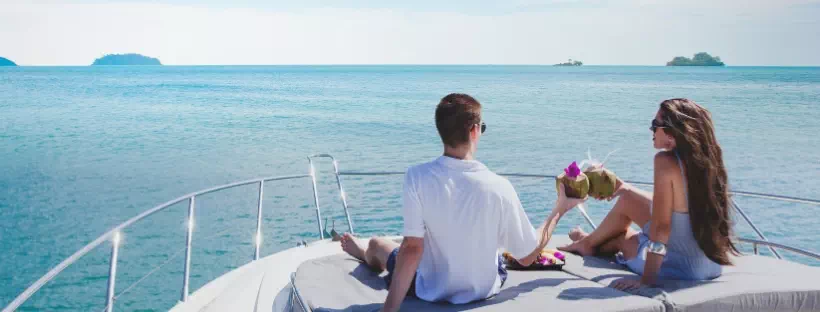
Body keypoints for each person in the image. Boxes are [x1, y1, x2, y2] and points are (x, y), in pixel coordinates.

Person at [339, 93, 583, 312]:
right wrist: (559, 209)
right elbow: (529, 255)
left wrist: (388, 311)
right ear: (475, 130)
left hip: (430, 288)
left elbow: (412, 250)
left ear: (441, 131)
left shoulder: (417, 177)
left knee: (378, 244)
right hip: (483, 288)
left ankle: (363, 252)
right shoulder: (499, 186)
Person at [559, 98, 739, 290]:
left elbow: (662, 227)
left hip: (680, 268)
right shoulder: (708, 161)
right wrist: (625, 188)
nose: (651, 130)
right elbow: (678, 205)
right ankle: (588, 241)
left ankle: (588, 243)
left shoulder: (664, 162)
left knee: (623, 237)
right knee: (626, 199)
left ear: (672, 133)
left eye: (655, 125)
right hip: (710, 265)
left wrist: (646, 280)